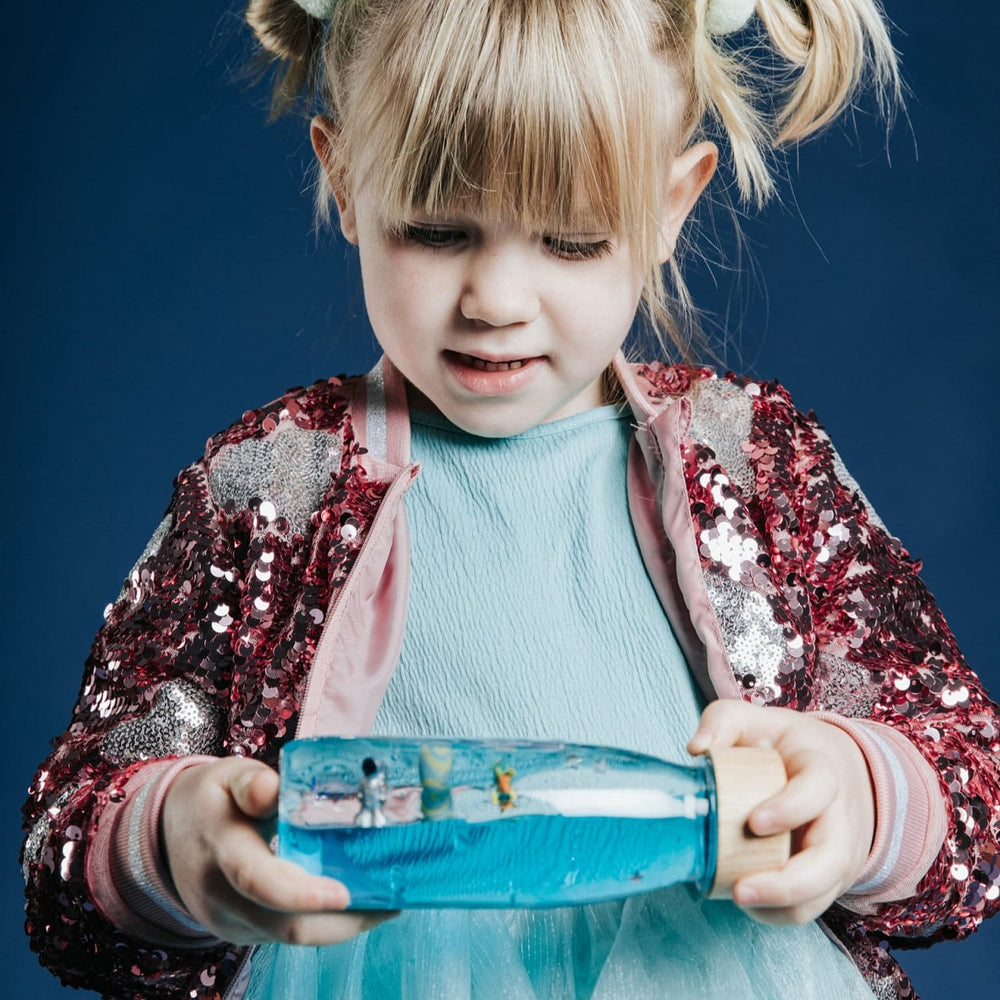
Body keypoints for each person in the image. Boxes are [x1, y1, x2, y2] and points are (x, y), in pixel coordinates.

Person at [20, 0, 1000, 997]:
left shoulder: (756, 466)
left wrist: (858, 795)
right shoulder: (269, 488)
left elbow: (970, 790)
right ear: (345, 178)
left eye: (571, 241)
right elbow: (67, 855)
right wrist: (181, 841)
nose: (495, 298)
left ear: (671, 205)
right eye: (436, 230)